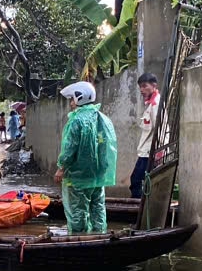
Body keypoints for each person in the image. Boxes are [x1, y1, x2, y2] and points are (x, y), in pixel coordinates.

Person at [53, 81, 117, 234]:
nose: (71, 103)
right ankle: (100, 236)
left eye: (72, 99)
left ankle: (78, 238)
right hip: (98, 175)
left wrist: (61, 168)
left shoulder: (76, 121)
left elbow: (69, 148)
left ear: (79, 97)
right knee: (98, 208)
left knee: (77, 212)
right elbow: (107, 145)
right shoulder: (102, 118)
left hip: (78, 176)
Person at [131, 72, 160, 198]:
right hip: (146, 151)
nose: (142, 90)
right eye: (140, 87)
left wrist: (159, 152)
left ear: (154, 86)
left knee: (136, 181)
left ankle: (138, 209)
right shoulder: (150, 103)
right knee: (143, 182)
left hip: (150, 152)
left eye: (144, 86)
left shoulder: (155, 104)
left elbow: (160, 127)